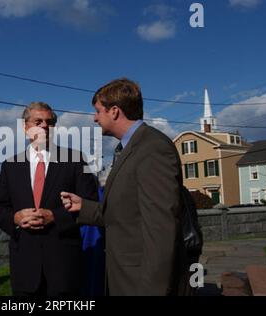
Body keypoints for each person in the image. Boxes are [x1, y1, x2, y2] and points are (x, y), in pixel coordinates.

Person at [61, 78, 189, 296]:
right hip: (125, 279)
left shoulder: (153, 148)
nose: (94, 118)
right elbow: (125, 214)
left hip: (142, 284)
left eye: (98, 111)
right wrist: (84, 207)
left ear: (114, 111)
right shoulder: (128, 149)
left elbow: (160, 229)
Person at [0, 102, 98, 296]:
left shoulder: (76, 159)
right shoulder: (10, 165)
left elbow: (90, 204)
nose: (43, 126)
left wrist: (55, 217)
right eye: (37, 121)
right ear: (25, 128)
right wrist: (15, 218)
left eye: (49, 122)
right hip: (24, 266)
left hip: (63, 265)